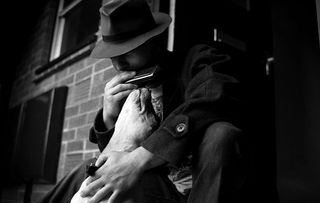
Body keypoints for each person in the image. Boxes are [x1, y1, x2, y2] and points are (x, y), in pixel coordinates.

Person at [39, 0, 249, 202]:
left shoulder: (198, 59)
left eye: (127, 50)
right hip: (159, 187)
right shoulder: (129, 89)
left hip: (201, 186)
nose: (119, 63)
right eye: (113, 54)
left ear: (153, 41)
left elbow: (212, 100)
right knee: (86, 171)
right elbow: (113, 160)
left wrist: (138, 159)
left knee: (222, 133)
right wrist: (110, 118)